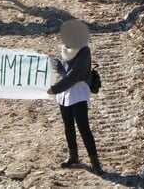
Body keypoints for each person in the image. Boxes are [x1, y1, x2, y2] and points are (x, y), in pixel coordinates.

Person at [47, 19, 102, 175]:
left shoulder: (84, 51)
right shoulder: (66, 49)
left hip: (78, 92)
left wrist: (55, 89)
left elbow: (74, 75)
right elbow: (63, 69)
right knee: (68, 125)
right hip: (65, 93)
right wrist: (52, 62)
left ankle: (95, 161)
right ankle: (73, 156)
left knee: (83, 127)